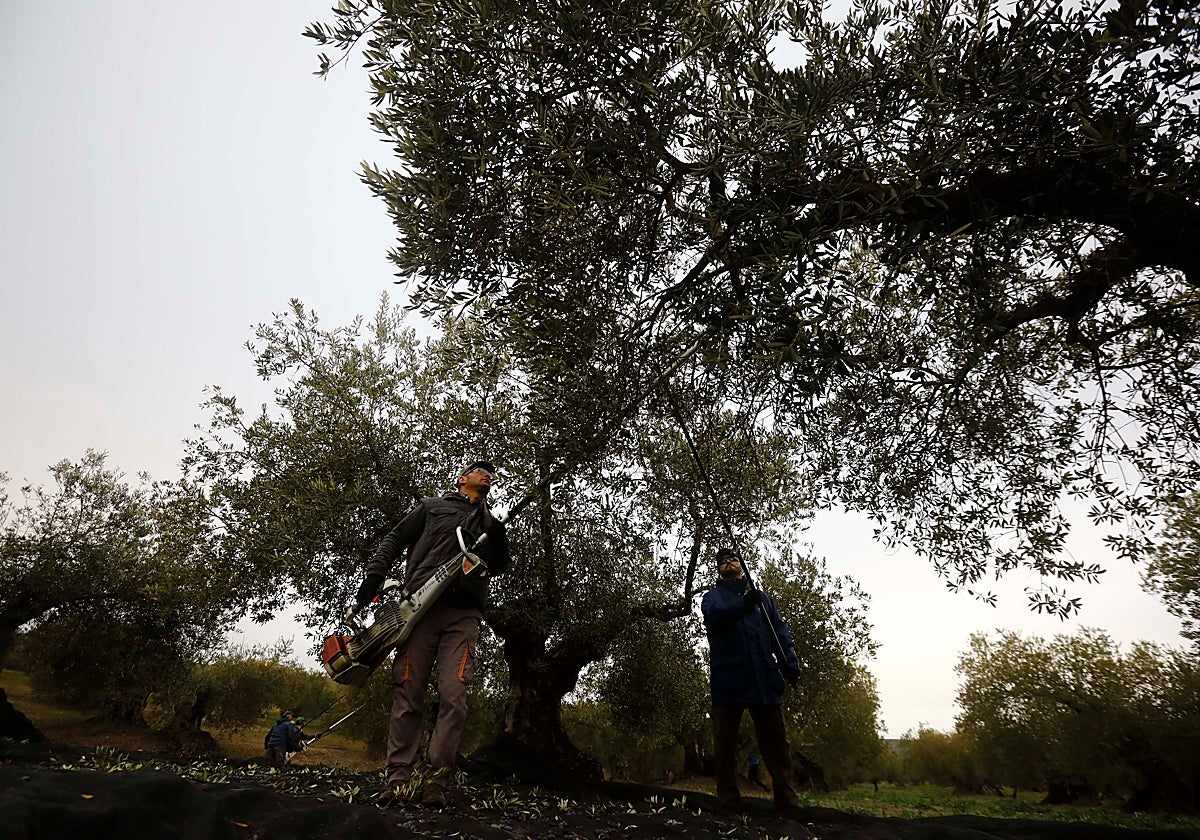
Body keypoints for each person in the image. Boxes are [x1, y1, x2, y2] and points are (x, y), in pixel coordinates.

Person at [354, 460, 510, 807]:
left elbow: (499, 566)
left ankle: (436, 779)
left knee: (454, 695)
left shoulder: (488, 523)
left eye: (490, 471)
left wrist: (499, 542)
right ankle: (398, 779)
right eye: (479, 469)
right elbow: (395, 537)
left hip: (464, 615)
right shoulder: (431, 507)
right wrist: (374, 576)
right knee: (408, 691)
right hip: (419, 612)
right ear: (462, 479)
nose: (487, 473)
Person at [701, 547, 801, 812]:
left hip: (764, 680)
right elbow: (715, 619)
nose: (727, 563)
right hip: (727, 680)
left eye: (732, 558)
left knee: (777, 744)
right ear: (718, 570)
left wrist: (789, 662)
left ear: (742, 565)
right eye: (721, 562)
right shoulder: (713, 598)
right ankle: (728, 802)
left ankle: (787, 801)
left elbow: (778, 629)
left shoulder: (762, 599)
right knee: (724, 745)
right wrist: (745, 604)